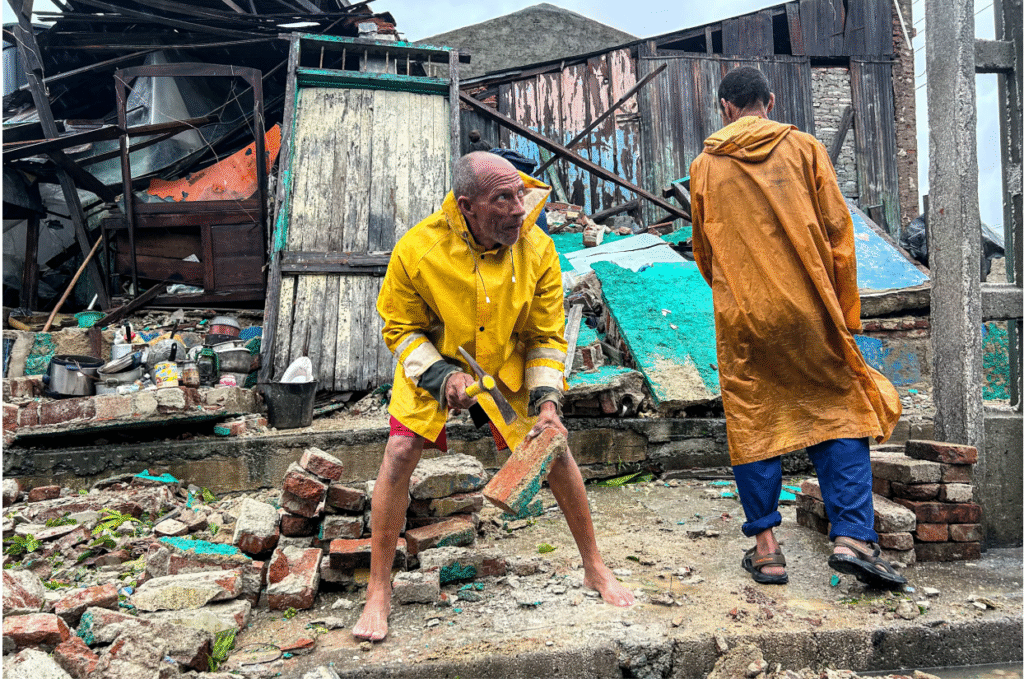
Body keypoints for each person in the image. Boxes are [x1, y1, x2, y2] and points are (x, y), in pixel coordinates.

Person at [352, 151, 634, 642]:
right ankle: (378, 590)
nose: (519, 209)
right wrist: (442, 378)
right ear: (468, 207)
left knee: (555, 447)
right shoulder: (417, 249)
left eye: (520, 195)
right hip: (435, 360)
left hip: (503, 363)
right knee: (399, 453)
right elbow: (400, 328)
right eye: (503, 198)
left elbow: (546, 336)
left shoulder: (540, 248)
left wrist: (547, 404)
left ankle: (595, 566)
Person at [688, 67, 907, 590]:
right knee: (839, 409)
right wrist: (843, 315)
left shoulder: (704, 167)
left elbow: (705, 251)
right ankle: (853, 536)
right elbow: (839, 235)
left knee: (753, 419)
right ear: (769, 101)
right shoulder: (805, 148)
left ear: (724, 108)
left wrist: (740, 297)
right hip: (811, 310)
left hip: (744, 317)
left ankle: (766, 552)